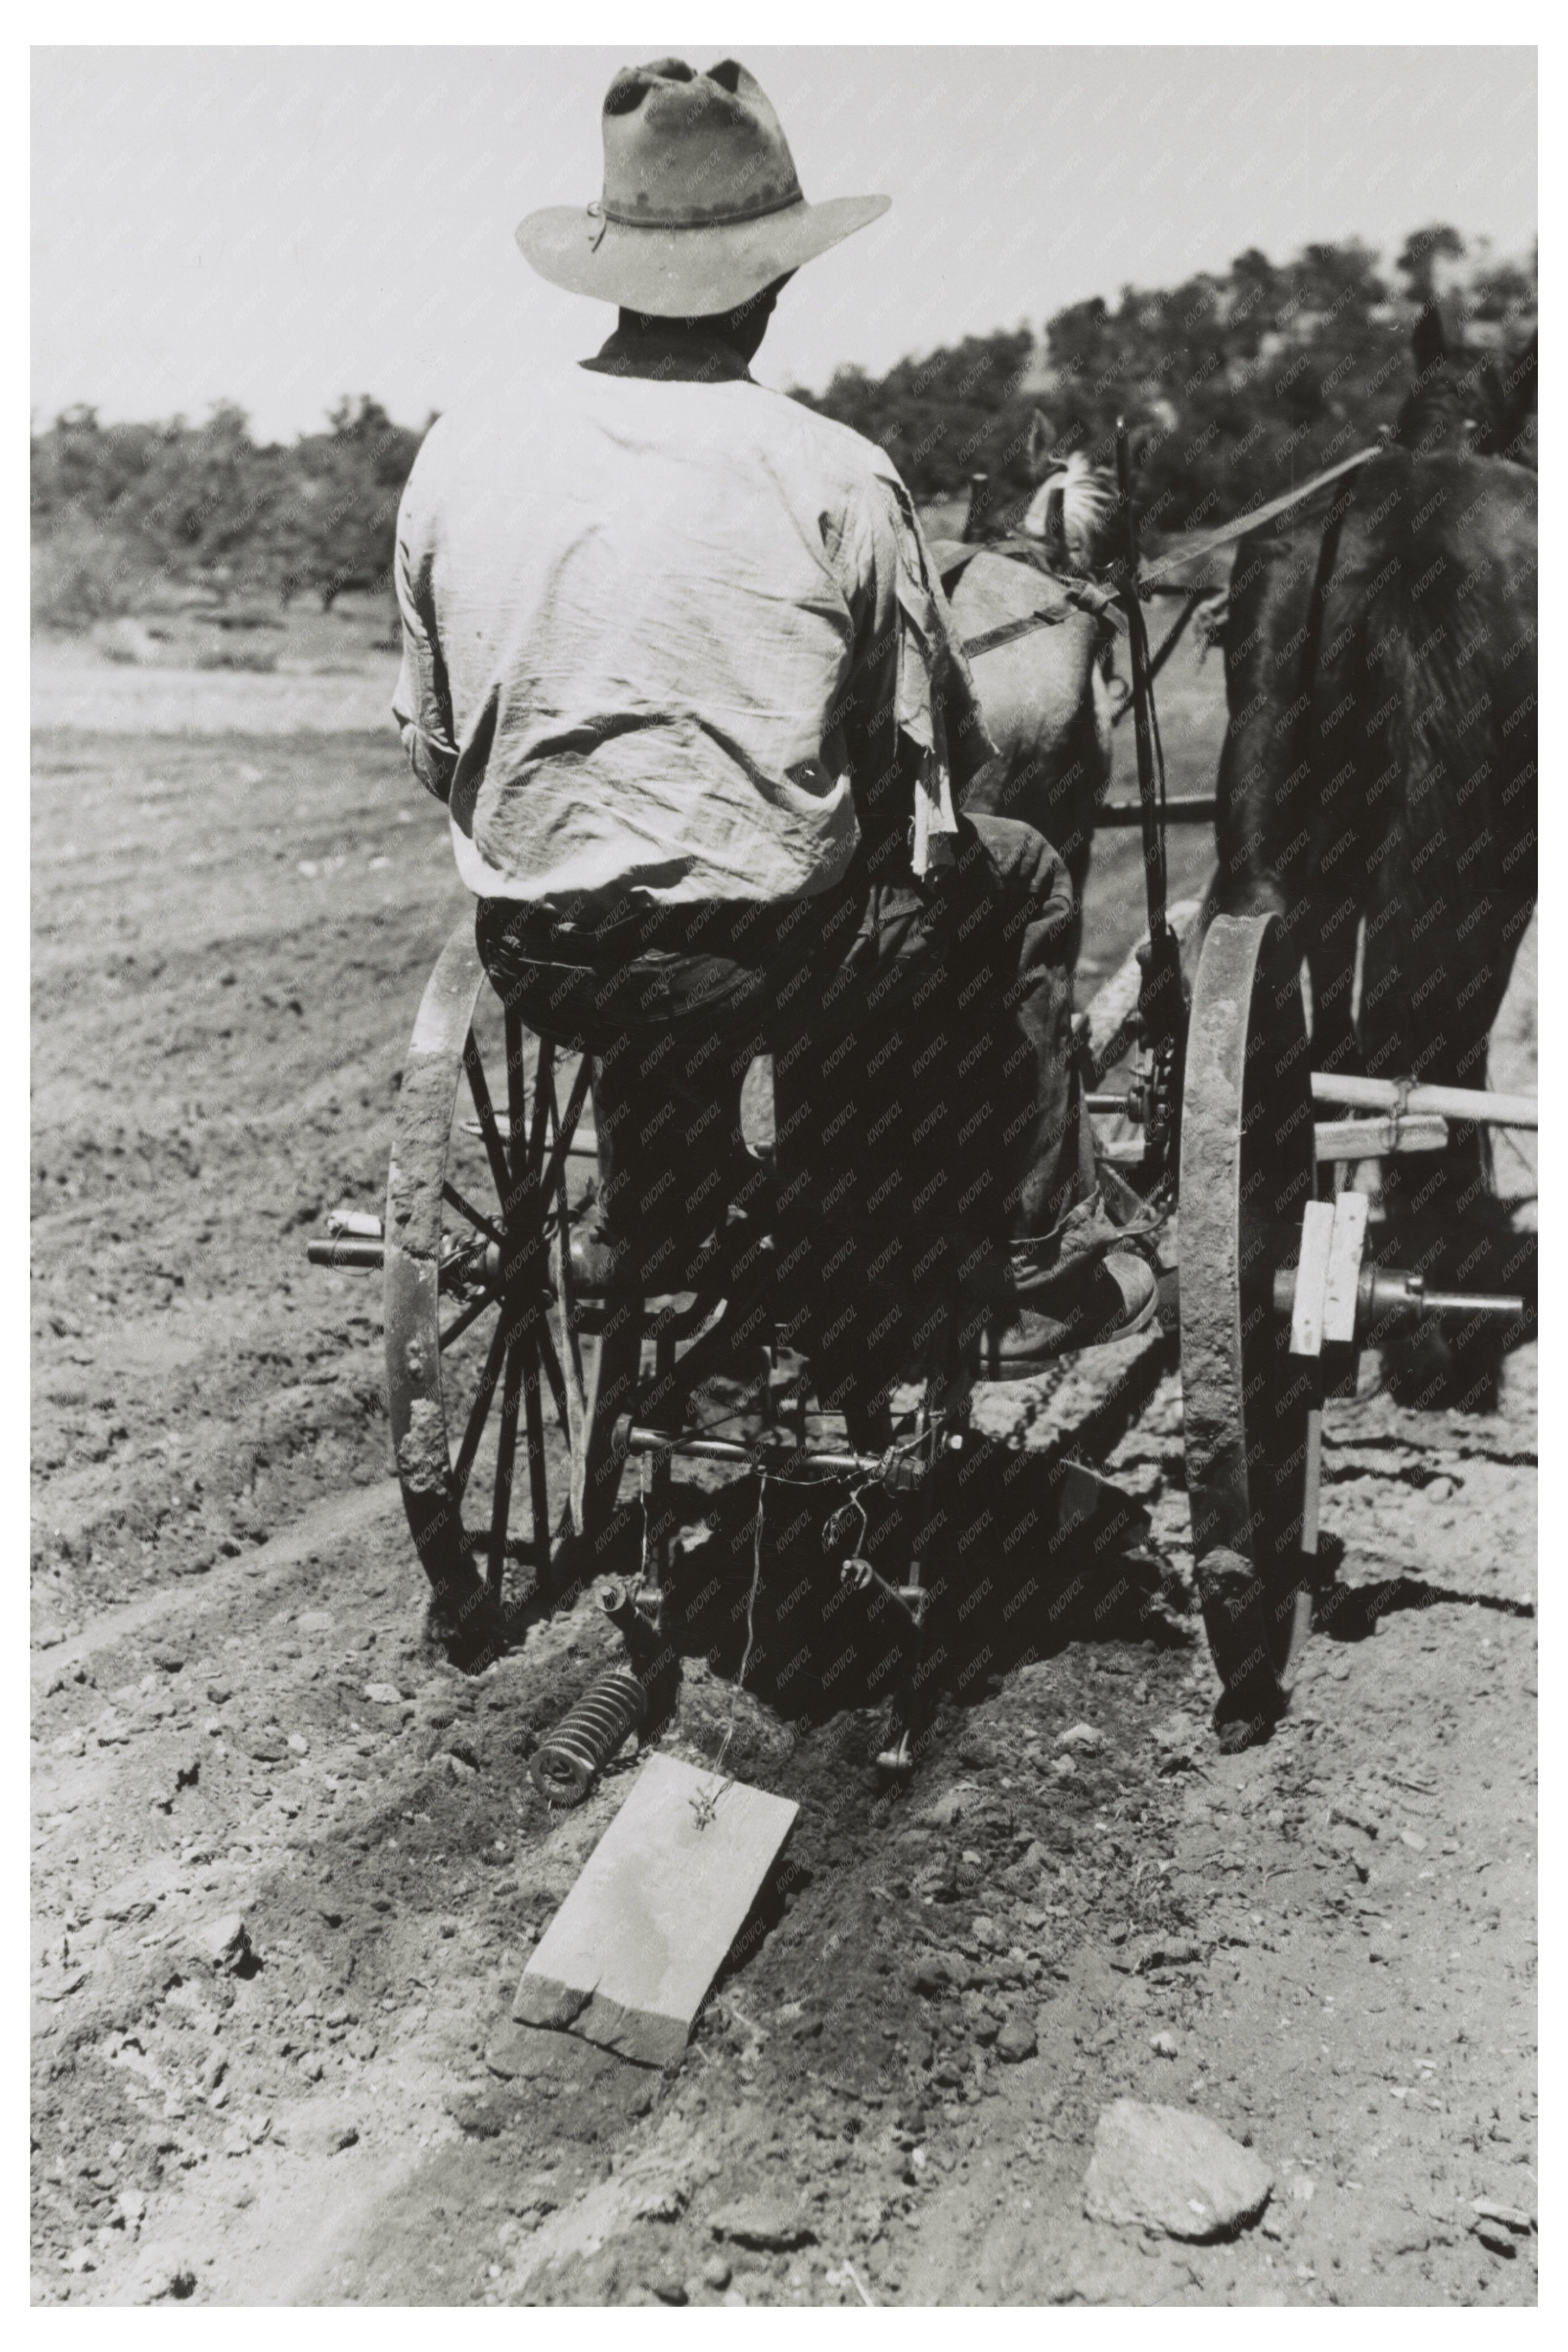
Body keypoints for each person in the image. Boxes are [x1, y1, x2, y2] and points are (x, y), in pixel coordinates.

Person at [392, 55, 1156, 1414]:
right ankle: (1036, 1256)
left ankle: (660, 1221)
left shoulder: (460, 451)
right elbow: (925, 774)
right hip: (768, 959)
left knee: (684, 926)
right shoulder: (835, 472)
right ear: (778, 277)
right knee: (1017, 873)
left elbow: (437, 747)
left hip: (543, 957)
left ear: (609, 263)